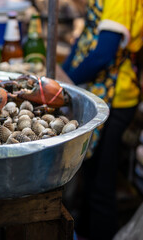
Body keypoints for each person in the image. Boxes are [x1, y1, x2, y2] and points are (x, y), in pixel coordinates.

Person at [62, 0, 143, 239]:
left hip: (115, 98)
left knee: (100, 186)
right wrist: (61, 76)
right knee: (91, 178)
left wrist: (66, 84)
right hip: (99, 94)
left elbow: (104, 54)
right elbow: (85, 37)